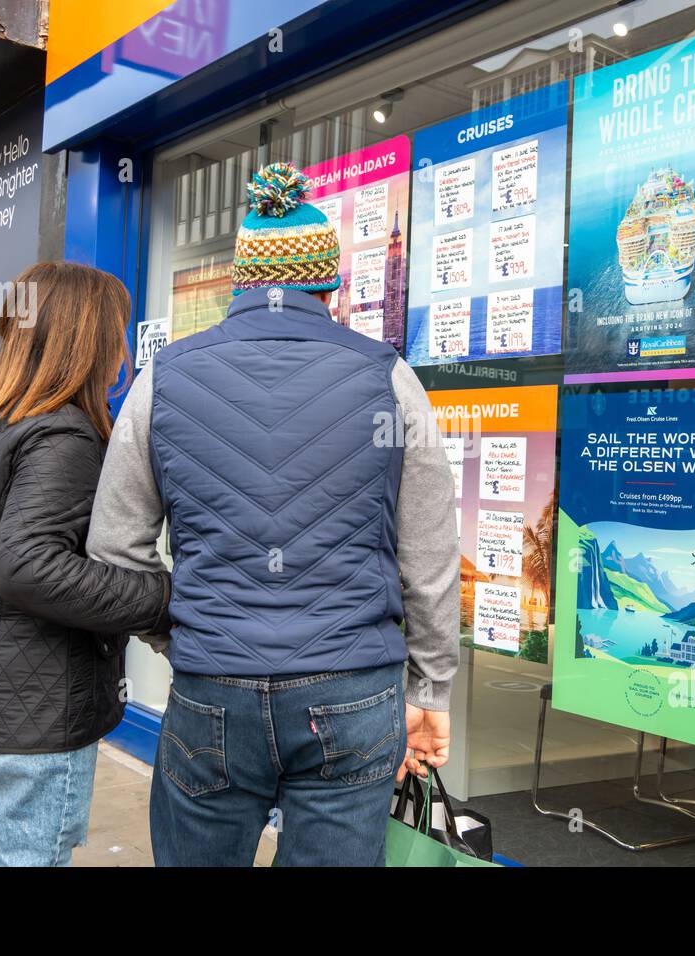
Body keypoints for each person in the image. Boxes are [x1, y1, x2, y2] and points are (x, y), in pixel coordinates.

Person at [88, 162, 460, 867]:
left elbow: (114, 549)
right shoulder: (389, 377)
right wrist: (431, 687)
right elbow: (430, 558)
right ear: (332, 285)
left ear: (241, 282)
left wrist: (183, 633)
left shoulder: (162, 378)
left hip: (210, 692)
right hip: (352, 690)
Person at [0, 261, 172, 867]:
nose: (123, 350)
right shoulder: (61, 432)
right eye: (117, 333)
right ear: (86, 341)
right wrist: (163, 596)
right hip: (32, 707)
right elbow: (29, 566)